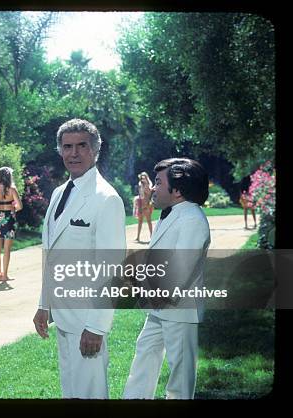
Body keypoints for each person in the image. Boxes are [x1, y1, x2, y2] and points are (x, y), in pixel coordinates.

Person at [32, 119, 126, 399]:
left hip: (87, 319)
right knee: (71, 393)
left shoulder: (107, 198)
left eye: (81, 146)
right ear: (60, 150)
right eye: (67, 146)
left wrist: (96, 326)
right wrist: (43, 304)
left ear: (95, 150)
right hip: (62, 316)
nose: (73, 153)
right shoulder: (60, 193)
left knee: (90, 394)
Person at [123, 158, 211, 400]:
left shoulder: (192, 219)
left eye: (159, 183)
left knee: (180, 371)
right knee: (145, 354)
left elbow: (181, 271)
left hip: (178, 307)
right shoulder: (171, 214)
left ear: (178, 191)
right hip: (159, 307)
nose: (152, 188)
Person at [134, 171, 154, 242]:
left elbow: (149, 193)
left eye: (144, 177)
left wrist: (145, 186)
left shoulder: (149, 185)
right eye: (141, 177)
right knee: (140, 221)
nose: (142, 179)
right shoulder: (140, 185)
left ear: (146, 177)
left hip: (147, 205)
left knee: (149, 221)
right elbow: (140, 195)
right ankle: (138, 237)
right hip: (141, 205)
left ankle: (152, 236)